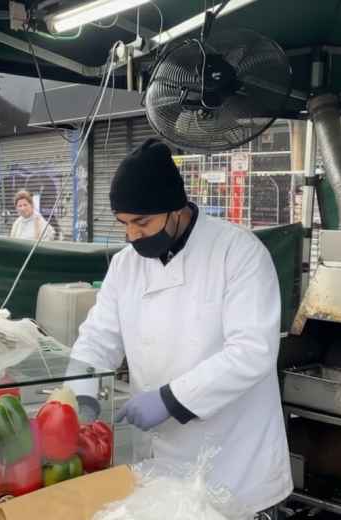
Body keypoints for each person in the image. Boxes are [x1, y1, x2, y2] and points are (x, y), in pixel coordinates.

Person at [70, 139, 292, 517]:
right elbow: (98, 337)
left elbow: (252, 351)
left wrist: (169, 400)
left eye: (143, 222)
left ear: (176, 208)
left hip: (237, 462)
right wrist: (81, 393)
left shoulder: (238, 252)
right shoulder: (126, 266)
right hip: (165, 465)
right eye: (125, 224)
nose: (133, 236)